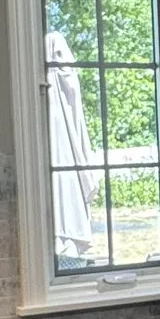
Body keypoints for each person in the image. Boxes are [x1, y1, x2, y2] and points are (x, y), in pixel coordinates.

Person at [46, 31, 101, 262]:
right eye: (58, 55)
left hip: (67, 157)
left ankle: (67, 242)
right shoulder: (48, 104)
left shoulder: (64, 107)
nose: (65, 63)